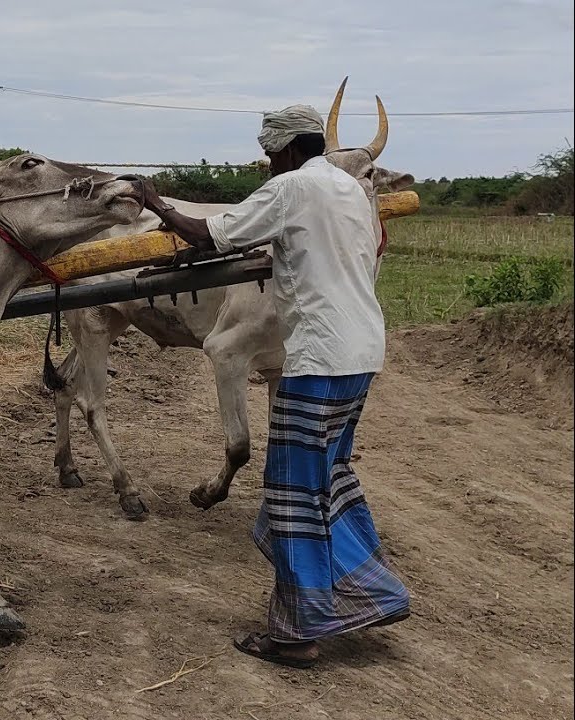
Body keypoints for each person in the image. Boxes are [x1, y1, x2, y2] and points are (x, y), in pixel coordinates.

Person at [137, 104, 410, 669]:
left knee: (292, 493)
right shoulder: (353, 192)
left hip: (316, 360)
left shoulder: (291, 188)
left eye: (268, 156)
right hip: (363, 354)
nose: (266, 166)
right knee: (330, 477)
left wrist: (154, 202)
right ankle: (371, 591)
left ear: (286, 151)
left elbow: (210, 233)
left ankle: (296, 633)